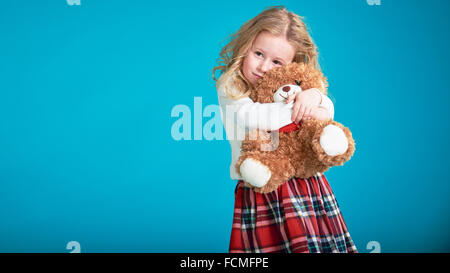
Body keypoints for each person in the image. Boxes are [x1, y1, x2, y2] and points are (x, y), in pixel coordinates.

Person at [212, 6, 357, 253]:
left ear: (292, 65)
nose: (264, 67)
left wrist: (315, 97)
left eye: (277, 61)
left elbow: (326, 113)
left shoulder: (294, 88)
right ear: (246, 45)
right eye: (258, 53)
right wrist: (300, 105)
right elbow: (253, 117)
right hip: (262, 185)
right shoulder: (231, 85)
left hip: (307, 182)